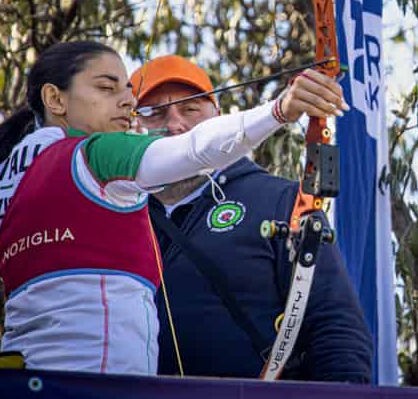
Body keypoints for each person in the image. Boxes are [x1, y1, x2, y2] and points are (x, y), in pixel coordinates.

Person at [0, 40, 346, 374]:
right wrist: (280, 109)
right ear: (55, 98)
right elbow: (193, 149)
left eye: (127, 90)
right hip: (103, 383)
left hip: (32, 378)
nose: (127, 101)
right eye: (108, 89)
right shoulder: (94, 154)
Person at [128, 54, 373, 382]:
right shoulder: (112, 215)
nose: (175, 125)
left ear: (218, 119)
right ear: (128, 127)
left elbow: (334, 326)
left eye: (190, 109)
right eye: (154, 112)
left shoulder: (281, 200)